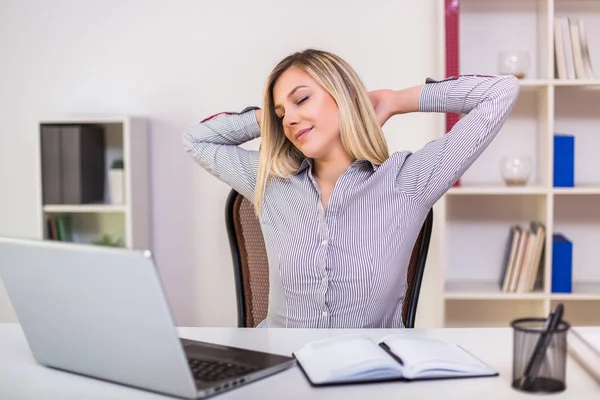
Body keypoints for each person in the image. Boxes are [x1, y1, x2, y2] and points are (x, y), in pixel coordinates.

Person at [183, 48, 520, 329]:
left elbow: (501, 92)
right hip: (284, 370)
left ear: (343, 95)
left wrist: (395, 100)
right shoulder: (270, 181)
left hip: (371, 377)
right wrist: (265, 118)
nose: (289, 120)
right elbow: (195, 139)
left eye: (301, 99)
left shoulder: (409, 180)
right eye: (281, 113)